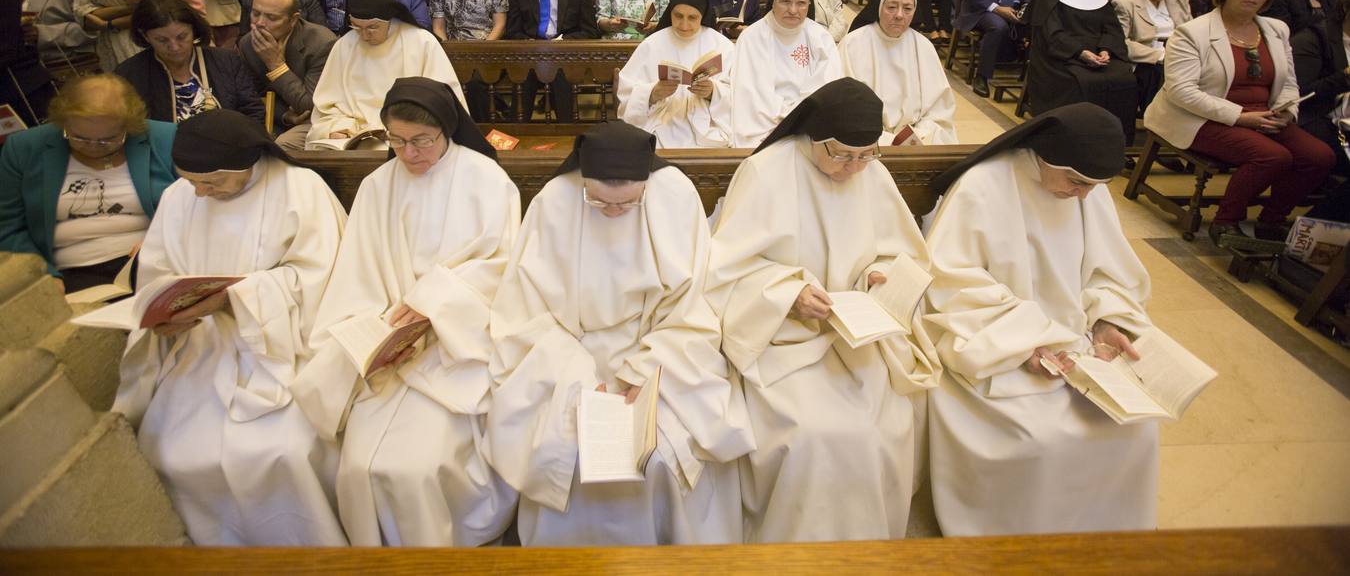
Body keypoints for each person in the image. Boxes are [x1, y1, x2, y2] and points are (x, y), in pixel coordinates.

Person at [487, 122, 755, 545]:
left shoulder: (674, 195)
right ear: (582, 182)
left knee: (664, 458)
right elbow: (526, 316)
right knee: (568, 453)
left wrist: (649, 366)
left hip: (662, 351)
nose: (612, 212)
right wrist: (576, 378)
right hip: (567, 356)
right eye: (599, 201)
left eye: (627, 203)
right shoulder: (554, 201)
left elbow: (695, 304)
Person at [709, 78, 941, 541]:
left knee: (884, 427)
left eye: (865, 155)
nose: (853, 168)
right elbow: (723, 272)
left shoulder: (868, 172)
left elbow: (902, 254)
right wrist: (787, 294)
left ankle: (869, 548)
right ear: (814, 136)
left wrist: (880, 274)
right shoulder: (767, 171)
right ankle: (794, 550)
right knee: (813, 436)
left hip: (859, 337)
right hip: (783, 342)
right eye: (840, 155)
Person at [291, 79, 517, 546]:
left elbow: (502, 269)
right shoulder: (378, 185)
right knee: (358, 467)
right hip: (388, 345)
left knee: (411, 468)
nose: (408, 153)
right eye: (396, 140)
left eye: (420, 141)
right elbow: (358, 271)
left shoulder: (486, 179)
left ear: (446, 132)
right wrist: (377, 331)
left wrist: (433, 306)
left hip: (456, 347)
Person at [114, 110, 348, 546]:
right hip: (200, 346)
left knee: (283, 452)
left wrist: (238, 297)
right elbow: (158, 272)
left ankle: (309, 552)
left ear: (245, 164)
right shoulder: (181, 197)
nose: (201, 194)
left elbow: (323, 278)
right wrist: (167, 317)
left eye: (212, 183)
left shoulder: (299, 189)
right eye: (191, 182)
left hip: (281, 345)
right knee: (170, 451)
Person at [924, 104, 1159, 535]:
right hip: (998, 347)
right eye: (1077, 182)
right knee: (1039, 439)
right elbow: (951, 286)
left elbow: (1108, 272)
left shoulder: (1088, 191)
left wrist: (1107, 321)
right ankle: (1018, 544)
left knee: (1136, 431)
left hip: (1077, 344)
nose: (1085, 195)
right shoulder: (983, 186)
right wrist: (1024, 341)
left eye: (1095, 186)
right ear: (1047, 157)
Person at [1143, 0, 1335, 243]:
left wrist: (1288, 112)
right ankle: (1226, 220)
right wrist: (1240, 117)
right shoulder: (1193, 32)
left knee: (1320, 157)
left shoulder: (1276, 29)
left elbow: (1288, 81)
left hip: (1264, 114)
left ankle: (1272, 218)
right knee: (1272, 156)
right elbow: (1181, 91)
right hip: (1201, 116)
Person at [0, 73, 175, 291]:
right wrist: (43, 275)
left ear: (129, 125)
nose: (93, 146)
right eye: (79, 137)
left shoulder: (163, 137)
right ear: (63, 122)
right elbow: (8, 226)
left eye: (107, 139)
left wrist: (165, 242)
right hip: (70, 273)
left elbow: (197, 204)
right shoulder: (24, 149)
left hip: (153, 260)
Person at [307, 0, 465, 148]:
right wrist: (337, 127)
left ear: (389, 18)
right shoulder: (344, 45)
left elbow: (443, 99)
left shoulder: (421, 42)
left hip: (407, 133)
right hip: (352, 134)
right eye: (357, 27)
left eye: (373, 27)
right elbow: (327, 106)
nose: (365, 35)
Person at [1025, 0, 1137, 141]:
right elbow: (1052, 33)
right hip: (1062, 55)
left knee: (1125, 80)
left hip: (1097, 54)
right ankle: (1075, 137)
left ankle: (1113, 140)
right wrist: (1080, 52)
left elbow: (1111, 28)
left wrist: (1106, 49)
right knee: (1082, 82)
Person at [728, 0, 843, 146]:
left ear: (809, 4)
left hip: (809, 120)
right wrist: (785, 117)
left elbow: (827, 84)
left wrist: (800, 114)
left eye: (801, 3)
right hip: (764, 120)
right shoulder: (752, 37)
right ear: (773, 1)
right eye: (785, 1)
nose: (793, 10)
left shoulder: (821, 37)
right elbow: (751, 89)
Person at [616, 0, 736, 148]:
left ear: (703, 15)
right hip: (660, 120)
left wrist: (713, 92)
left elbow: (741, 94)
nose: (684, 25)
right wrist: (652, 93)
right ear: (669, 12)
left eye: (692, 17)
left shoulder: (722, 45)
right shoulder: (652, 44)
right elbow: (626, 92)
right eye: (678, 16)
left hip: (707, 122)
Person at [115, 0, 263, 124]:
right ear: (145, 36)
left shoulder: (226, 61)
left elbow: (253, 112)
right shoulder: (129, 75)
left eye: (182, 37)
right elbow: (128, 128)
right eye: (162, 40)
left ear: (194, 29)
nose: (174, 47)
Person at [504, 0, 601, 121]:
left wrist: (563, 41)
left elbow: (590, 31)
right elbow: (512, 31)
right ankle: (516, 137)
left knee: (562, 81)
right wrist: (530, 43)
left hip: (564, 54)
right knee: (522, 83)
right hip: (530, 54)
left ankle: (568, 137)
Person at [842, 0, 958, 145]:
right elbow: (845, 104)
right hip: (868, 134)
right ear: (879, 7)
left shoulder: (923, 46)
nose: (899, 15)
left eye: (907, 9)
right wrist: (885, 138)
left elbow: (939, 107)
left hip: (917, 135)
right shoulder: (853, 43)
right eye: (891, 7)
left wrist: (919, 134)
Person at [237, 0, 337, 151]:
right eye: (255, 14)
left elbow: (310, 105)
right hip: (273, 119)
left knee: (283, 145)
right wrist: (284, 116)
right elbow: (253, 97)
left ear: (293, 19)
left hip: (316, 121)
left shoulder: (321, 43)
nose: (259, 23)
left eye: (271, 17)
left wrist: (276, 65)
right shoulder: (247, 44)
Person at [1113, 0, 1191, 113]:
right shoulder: (1125, 3)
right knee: (1159, 75)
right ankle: (1157, 118)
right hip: (1149, 60)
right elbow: (1121, 43)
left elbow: (1191, 28)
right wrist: (1160, 55)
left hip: (1181, 54)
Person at [1292, 0, 1350, 172]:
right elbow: (1300, 94)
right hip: (1321, 118)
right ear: (1346, 7)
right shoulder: (1314, 38)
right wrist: (1345, 78)